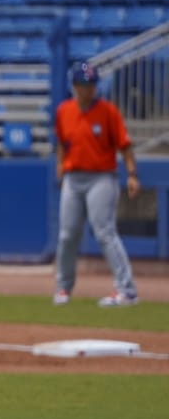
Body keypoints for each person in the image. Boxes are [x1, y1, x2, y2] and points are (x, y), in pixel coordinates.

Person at [52, 61, 140, 308]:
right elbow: (61, 141)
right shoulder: (64, 111)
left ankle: (127, 290)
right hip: (73, 176)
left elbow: (124, 145)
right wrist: (61, 165)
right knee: (67, 234)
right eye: (82, 84)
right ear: (74, 86)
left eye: (90, 84)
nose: (87, 89)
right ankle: (63, 288)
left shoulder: (108, 112)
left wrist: (132, 174)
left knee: (104, 232)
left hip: (102, 177)